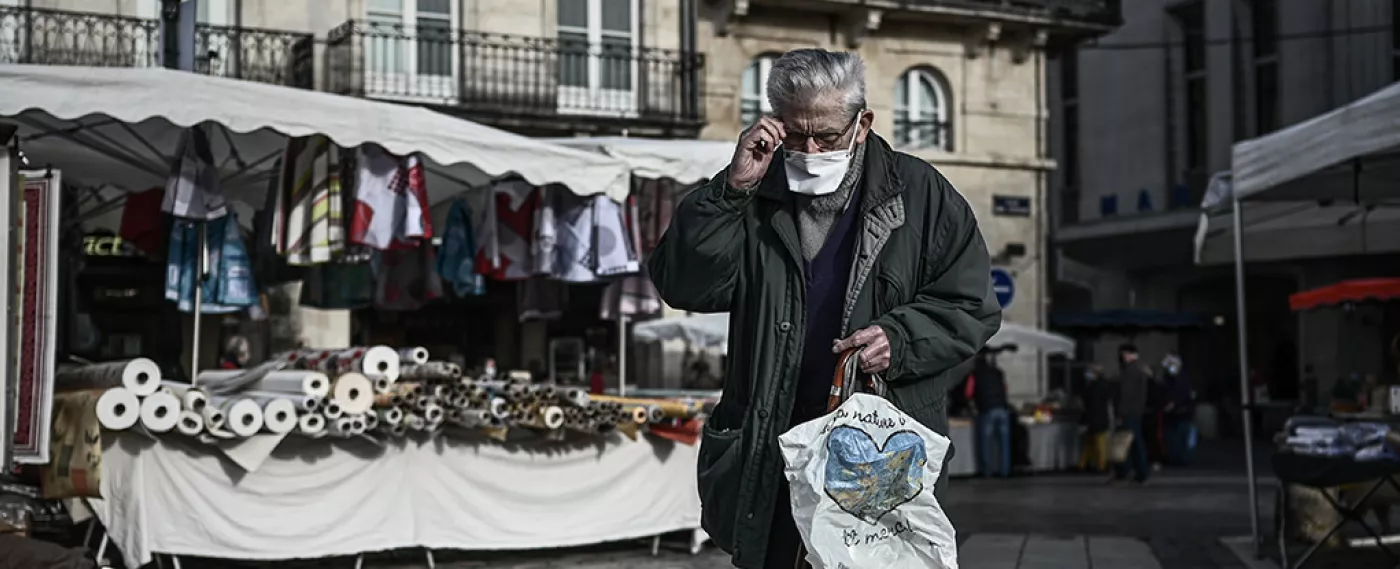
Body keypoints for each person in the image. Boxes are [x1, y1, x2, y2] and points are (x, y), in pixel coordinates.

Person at [647, 48, 1001, 569]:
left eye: (827, 136)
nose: (810, 148)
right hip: (770, 448)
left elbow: (971, 305)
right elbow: (684, 286)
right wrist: (730, 191)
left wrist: (899, 339)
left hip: (874, 457)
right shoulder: (754, 191)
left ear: (863, 123)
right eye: (795, 134)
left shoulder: (923, 193)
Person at [1111, 344, 1151, 484]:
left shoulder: (1129, 372)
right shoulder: (1138, 371)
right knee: (1134, 442)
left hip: (1129, 413)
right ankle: (1138, 472)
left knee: (1127, 442)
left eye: (1125, 354)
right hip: (1135, 412)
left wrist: (1121, 412)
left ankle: (1127, 471)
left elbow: (1125, 395)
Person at [971, 349, 1012, 477]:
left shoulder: (975, 374)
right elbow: (1005, 389)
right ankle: (1005, 471)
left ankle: (987, 472)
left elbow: (968, 393)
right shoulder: (998, 372)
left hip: (987, 410)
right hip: (1002, 409)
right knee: (1004, 444)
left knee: (985, 444)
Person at [1160, 354, 1196, 466]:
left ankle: (1181, 459)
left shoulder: (1183, 378)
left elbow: (1185, 394)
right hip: (1174, 413)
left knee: (1181, 437)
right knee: (1173, 438)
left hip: (1182, 412)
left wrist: (1173, 404)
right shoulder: (1168, 378)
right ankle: (1176, 458)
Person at [1078, 365, 1112, 473]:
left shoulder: (1095, 386)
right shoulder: (1103, 385)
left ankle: (1099, 465)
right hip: (1100, 419)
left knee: (1096, 443)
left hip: (1095, 419)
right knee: (1094, 442)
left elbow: (1091, 404)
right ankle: (1088, 464)